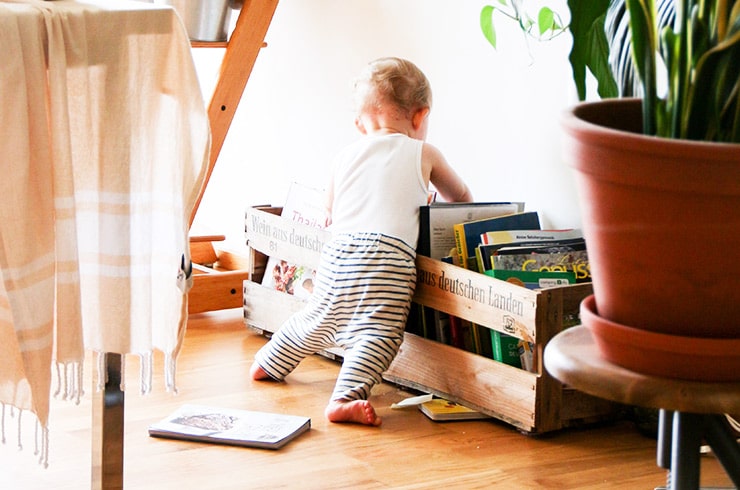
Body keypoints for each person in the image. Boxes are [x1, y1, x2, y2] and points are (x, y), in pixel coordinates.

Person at [250, 57, 473, 426]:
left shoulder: (344, 156)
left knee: (318, 318)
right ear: (420, 117)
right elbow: (462, 199)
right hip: (389, 258)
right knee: (379, 332)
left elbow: (329, 211)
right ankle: (345, 397)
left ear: (360, 123)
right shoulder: (424, 153)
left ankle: (268, 362)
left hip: (340, 253)